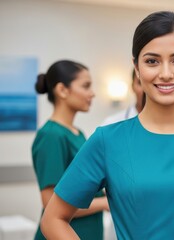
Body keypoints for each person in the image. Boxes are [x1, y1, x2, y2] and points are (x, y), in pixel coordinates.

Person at [40, 11, 174, 239]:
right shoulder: (108, 141)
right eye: (152, 61)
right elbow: (53, 218)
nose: (165, 74)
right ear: (136, 68)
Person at [32, 60, 109, 240]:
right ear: (62, 90)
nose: (92, 93)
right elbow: (50, 202)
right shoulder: (51, 135)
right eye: (86, 86)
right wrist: (105, 203)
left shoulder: (77, 134)